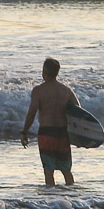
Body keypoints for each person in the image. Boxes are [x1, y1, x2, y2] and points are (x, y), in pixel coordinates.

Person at [21, 57, 79, 186]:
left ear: (44, 72)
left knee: (49, 171)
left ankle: (51, 202)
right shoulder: (66, 91)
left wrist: (24, 132)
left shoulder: (39, 91)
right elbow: (78, 112)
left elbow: (31, 113)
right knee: (66, 170)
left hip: (46, 133)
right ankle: (72, 199)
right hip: (63, 133)